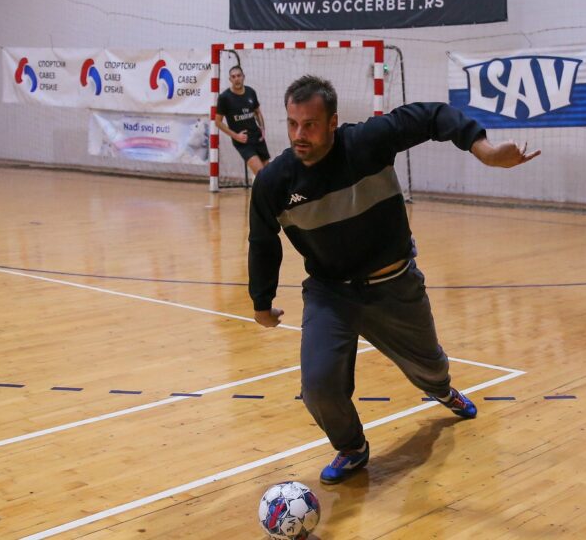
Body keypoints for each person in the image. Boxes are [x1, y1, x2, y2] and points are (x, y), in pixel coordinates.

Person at [248, 75, 540, 484]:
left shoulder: (367, 142)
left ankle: (442, 391)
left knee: (432, 370)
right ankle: (352, 448)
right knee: (317, 387)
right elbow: (263, 241)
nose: (299, 135)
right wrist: (261, 302)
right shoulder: (274, 182)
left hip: (395, 286)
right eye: (293, 123)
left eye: (310, 124)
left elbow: (434, 116)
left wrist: (485, 151)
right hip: (331, 294)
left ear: (332, 122)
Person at [215, 65, 270, 177]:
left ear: (243, 77)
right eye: (233, 77)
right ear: (230, 79)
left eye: (238, 76)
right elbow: (218, 122)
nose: (236, 79)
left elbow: (257, 112)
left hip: (257, 136)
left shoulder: (251, 92)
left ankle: (259, 187)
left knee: (269, 172)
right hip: (243, 141)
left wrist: (262, 129)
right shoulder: (224, 98)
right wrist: (235, 136)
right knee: (262, 174)